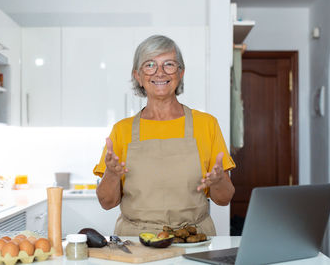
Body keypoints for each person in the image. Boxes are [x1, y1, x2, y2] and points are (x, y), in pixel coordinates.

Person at [93, 35, 235, 236]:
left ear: (180, 73)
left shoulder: (206, 124)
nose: (159, 73)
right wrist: (112, 175)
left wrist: (219, 180)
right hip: (136, 241)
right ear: (138, 76)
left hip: (193, 239)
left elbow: (224, 199)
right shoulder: (121, 130)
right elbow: (107, 203)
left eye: (169, 65)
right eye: (150, 65)